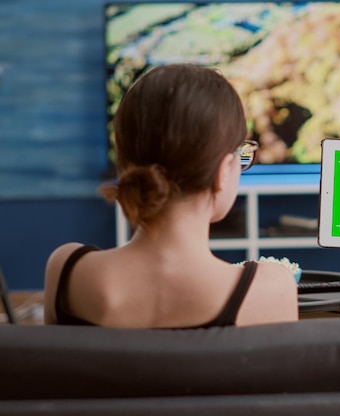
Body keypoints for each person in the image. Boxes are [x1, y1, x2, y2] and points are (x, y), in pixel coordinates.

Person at [44, 64, 298, 328]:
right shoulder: (269, 289)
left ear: (124, 162)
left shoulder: (67, 272)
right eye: (242, 155)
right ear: (223, 171)